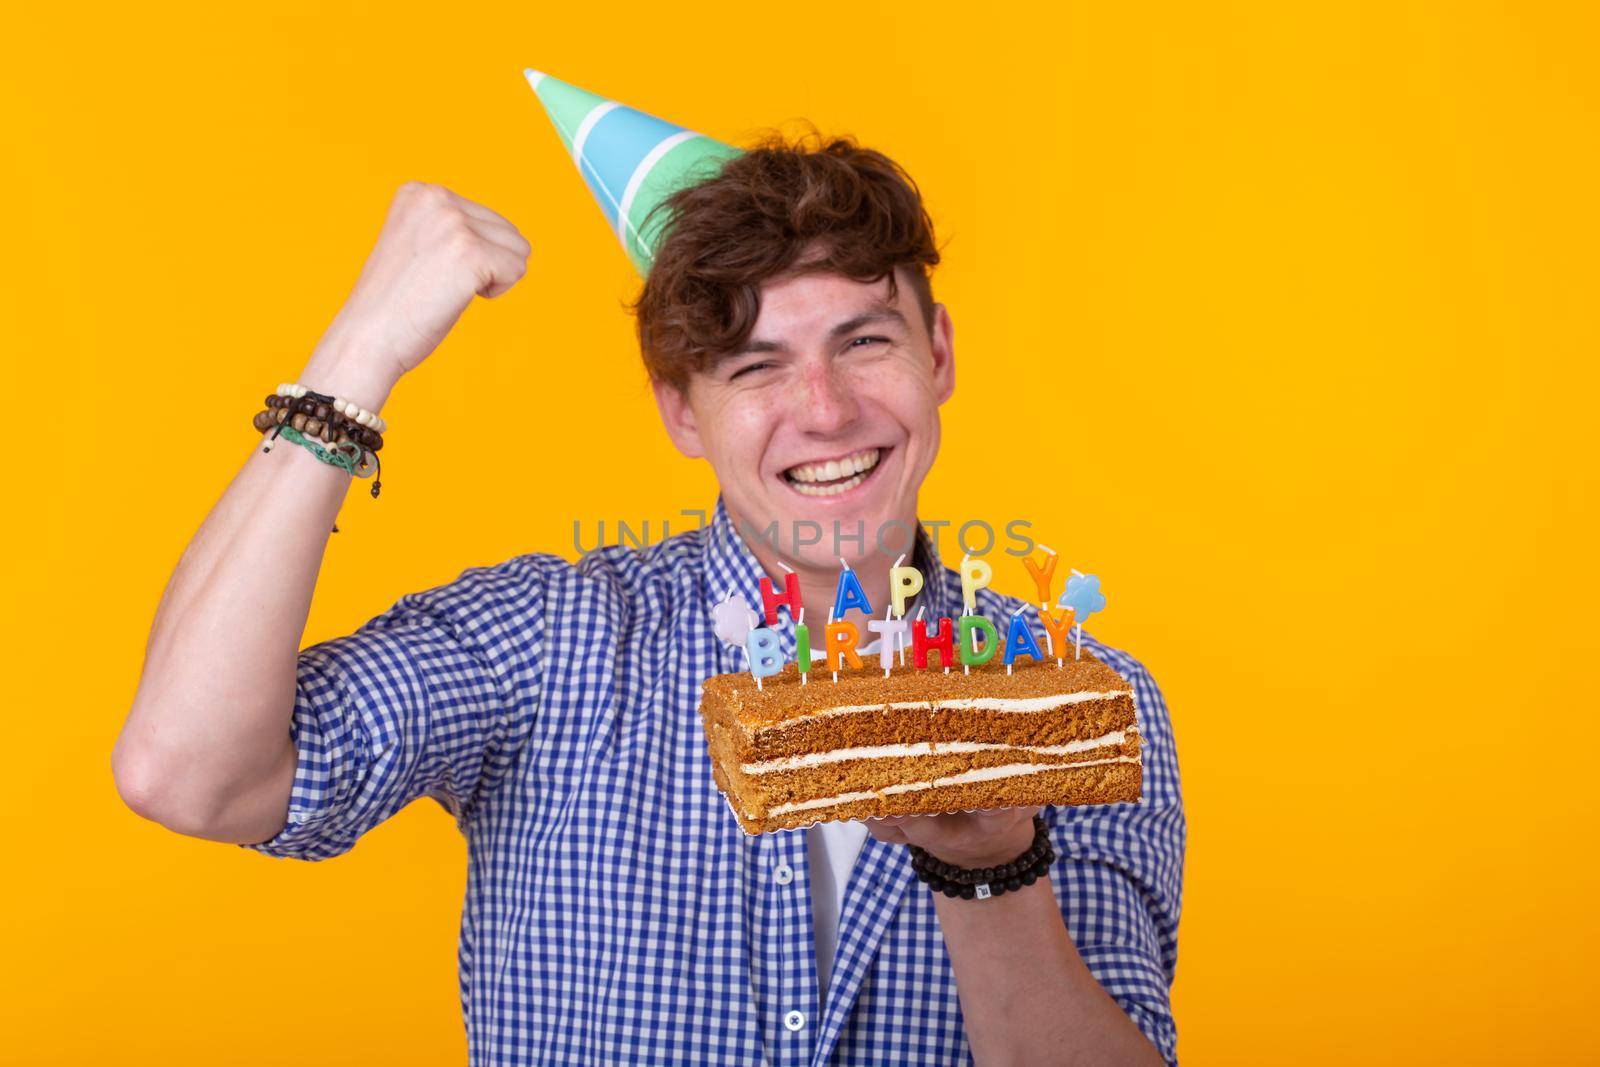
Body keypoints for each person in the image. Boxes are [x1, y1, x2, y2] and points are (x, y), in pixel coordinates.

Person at [113, 129, 1185, 1065]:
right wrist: (357, 357)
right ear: (680, 409)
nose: (824, 409)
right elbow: (187, 772)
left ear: (937, 352)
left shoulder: (1078, 700)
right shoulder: (546, 641)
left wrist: (993, 872)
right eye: (754, 366)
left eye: (863, 340)